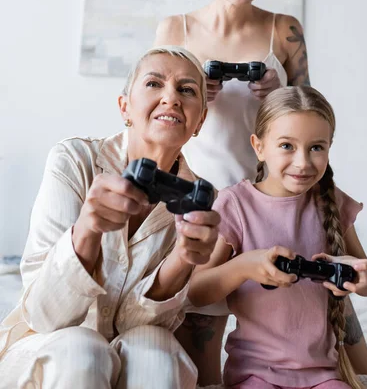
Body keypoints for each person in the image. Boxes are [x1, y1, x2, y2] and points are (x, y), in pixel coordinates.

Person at [154, 0, 367, 383]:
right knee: (205, 339)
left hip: (279, 191)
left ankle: (351, 368)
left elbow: (308, 112)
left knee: (317, 288)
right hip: (206, 199)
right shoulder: (177, 31)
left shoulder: (285, 30)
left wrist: (274, 91)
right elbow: (158, 121)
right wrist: (195, 96)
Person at [0, 46, 220, 389]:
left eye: (186, 90)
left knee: (156, 352)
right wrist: (87, 228)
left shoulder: (202, 203)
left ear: (200, 121)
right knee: (84, 349)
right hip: (47, 346)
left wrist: (181, 260)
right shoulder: (73, 160)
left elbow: (134, 326)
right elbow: (46, 316)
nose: (171, 98)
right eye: (154, 84)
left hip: (133, 345)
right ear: (125, 107)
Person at [188, 86, 367, 389]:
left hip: (323, 373)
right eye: (287, 146)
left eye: (316, 147)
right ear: (259, 146)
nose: (303, 162)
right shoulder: (235, 205)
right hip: (255, 374)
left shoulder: (333, 202)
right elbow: (197, 292)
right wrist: (244, 267)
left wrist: (363, 278)